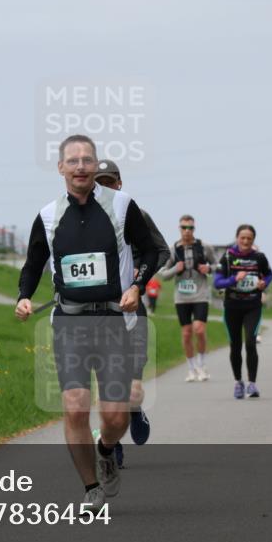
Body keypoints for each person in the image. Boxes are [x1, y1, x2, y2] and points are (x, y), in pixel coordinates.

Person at [15, 136, 159, 511]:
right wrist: (24, 296)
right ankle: (91, 486)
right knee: (76, 406)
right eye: (72, 160)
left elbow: (152, 250)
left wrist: (138, 285)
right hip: (70, 324)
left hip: (114, 320)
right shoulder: (47, 216)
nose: (80, 166)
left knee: (115, 414)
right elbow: (33, 264)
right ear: (60, 167)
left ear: (95, 166)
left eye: (87, 160)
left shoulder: (122, 206)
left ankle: (106, 448)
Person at [94, 160, 170, 468]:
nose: (105, 187)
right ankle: (112, 445)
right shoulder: (86, 220)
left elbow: (162, 251)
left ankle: (135, 410)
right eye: (100, 182)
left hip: (132, 305)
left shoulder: (137, 214)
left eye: (110, 182)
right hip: (98, 310)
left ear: (120, 183)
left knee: (133, 385)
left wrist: (141, 276)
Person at [214, 224, 272, 399]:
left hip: (252, 306)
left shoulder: (259, 257)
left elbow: (269, 274)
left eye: (249, 238)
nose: (246, 241)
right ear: (237, 238)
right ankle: (238, 382)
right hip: (232, 307)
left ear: (253, 240)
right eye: (243, 238)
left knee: (250, 342)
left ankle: (252, 384)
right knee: (235, 345)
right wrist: (234, 279)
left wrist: (264, 283)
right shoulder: (227, 257)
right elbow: (217, 283)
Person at [158, 215, 217, 381]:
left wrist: (209, 268)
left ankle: (202, 364)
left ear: (194, 229)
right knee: (186, 333)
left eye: (190, 228)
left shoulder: (204, 247)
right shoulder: (173, 249)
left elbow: (217, 266)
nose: (187, 231)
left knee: (199, 329)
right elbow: (164, 275)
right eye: (184, 227)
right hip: (182, 297)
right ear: (179, 229)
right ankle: (191, 368)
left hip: (200, 295)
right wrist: (175, 269)